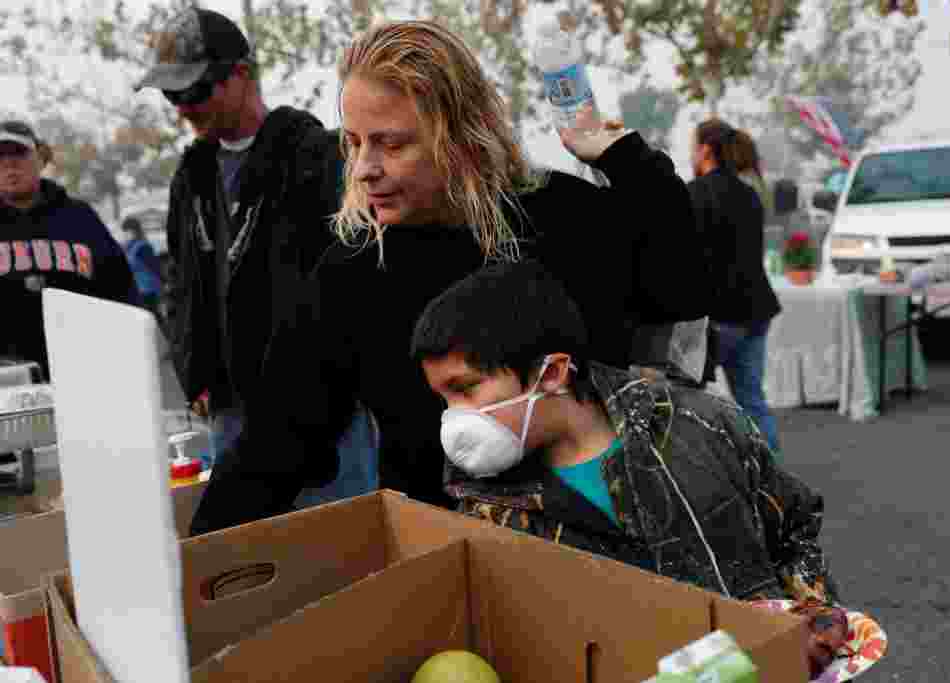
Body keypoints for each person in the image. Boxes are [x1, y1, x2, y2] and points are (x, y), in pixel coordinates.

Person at [250, 19, 709, 521]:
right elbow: (278, 444)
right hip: (441, 554)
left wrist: (626, 160)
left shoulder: (561, 218)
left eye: (393, 144)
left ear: (462, 133)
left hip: (606, 547)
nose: (363, 168)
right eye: (355, 142)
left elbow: (679, 291)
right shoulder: (352, 270)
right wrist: (196, 568)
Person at [410, 259, 837, 606]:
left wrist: (812, 616)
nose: (454, 420)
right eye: (444, 399)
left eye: (465, 389)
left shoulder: (703, 426)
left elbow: (794, 527)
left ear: (553, 372)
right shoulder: (484, 505)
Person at [133, 7, 378, 534]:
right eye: (172, 96)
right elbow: (180, 280)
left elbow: (348, 276)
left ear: (241, 73)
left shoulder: (313, 155)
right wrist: (193, 367)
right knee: (252, 553)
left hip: (320, 409)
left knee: (343, 545)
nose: (184, 108)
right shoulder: (191, 174)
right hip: (231, 409)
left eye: (195, 90)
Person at [0, 119, 141, 379]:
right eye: (0, 157)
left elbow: (120, 288)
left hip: (84, 368)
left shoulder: (79, 217)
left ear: (41, 158)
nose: (9, 164)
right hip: (7, 378)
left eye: (18, 153)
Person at [689, 118, 782, 454]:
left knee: (688, 401)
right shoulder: (749, 193)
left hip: (720, 316)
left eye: (694, 146)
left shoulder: (695, 194)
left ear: (705, 150)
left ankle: (704, 478)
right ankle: (773, 480)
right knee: (752, 399)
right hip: (757, 310)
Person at [122, 216, 164, 321]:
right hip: (137, 290)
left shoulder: (143, 247)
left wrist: (164, 282)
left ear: (136, 231)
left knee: (150, 318)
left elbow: (155, 267)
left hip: (148, 290)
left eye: (128, 232)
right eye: (125, 232)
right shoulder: (128, 248)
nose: (126, 235)